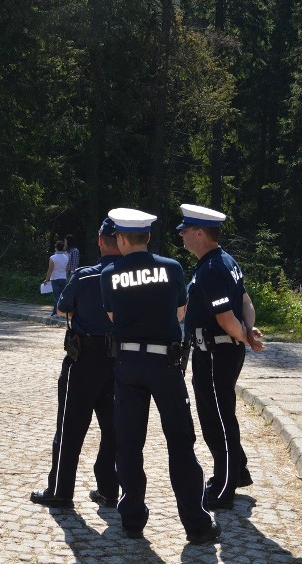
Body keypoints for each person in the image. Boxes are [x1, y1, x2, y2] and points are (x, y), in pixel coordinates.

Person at [100, 207, 220, 544]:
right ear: (149, 236)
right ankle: (196, 525)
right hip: (166, 366)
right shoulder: (172, 268)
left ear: (120, 239)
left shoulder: (110, 273)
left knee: (129, 443)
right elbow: (180, 312)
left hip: (127, 366)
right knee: (180, 443)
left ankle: (132, 519)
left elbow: (112, 317)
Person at [177, 203, 265, 510]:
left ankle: (224, 489)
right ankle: (233, 472)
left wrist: (245, 334)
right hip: (216, 349)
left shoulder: (213, 267)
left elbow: (227, 316)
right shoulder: (224, 261)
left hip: (217, 350)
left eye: (185, 231)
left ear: (200, 233)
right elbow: (246, 301)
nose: (182, 236)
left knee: (219, 419)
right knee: (215, 415)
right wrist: (249, 330)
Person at [30, 217, 121, 509]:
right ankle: (108, 489)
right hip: (119, 359)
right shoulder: (132, 277)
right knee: (113, 428)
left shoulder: (85, 276)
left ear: (99, 241)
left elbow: (61, 307)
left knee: (69, 426)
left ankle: (60, 490)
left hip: (85, 357)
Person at [44, 241, 69, 317]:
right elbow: (67, 269)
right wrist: (67, 277)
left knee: (56, 296)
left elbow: (50, 270)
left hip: (55, 278)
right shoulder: (66, 257)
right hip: (63, 278)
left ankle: (58, 312)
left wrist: (47, 279)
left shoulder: (52, 258)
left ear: (56, 248)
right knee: (61, 296)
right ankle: (56, 312)